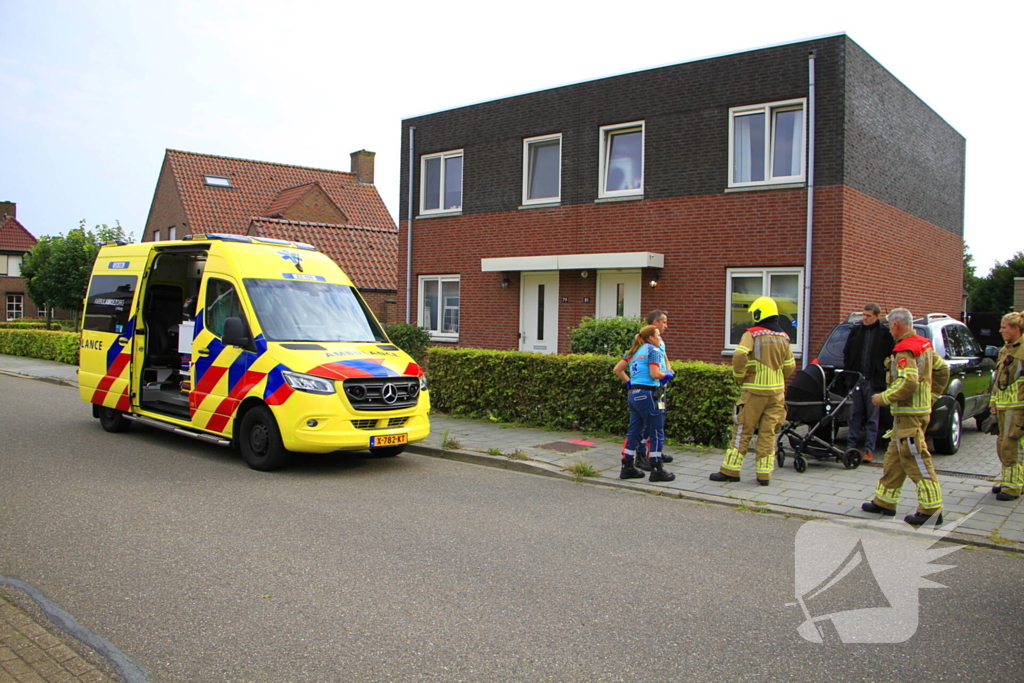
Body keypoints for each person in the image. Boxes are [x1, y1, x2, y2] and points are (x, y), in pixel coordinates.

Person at [861, 308, 950, 526]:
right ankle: (884, 502)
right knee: (894, 459)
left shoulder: (905, 350)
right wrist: (933, 396)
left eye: (890, 325)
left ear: (896, 325)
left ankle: (931, 509)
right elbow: (943, 370)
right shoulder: (924, 345)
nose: (889, 330)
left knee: (915, 459)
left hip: (908, 414)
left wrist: (882, 398)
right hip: (914, 413)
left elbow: (907, 383)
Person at [710, 296, 795, 486]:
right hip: (777, 393)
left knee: (742, 430)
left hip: (754, 390)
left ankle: (731, 471)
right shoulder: (785, 337)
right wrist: (778, 375)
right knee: (768, 432)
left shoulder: (753, 333)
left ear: (759, 313)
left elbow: (740, 354)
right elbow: (790, 365)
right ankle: (764, 475)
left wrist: (740, 374)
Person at [614, 310, 674, 470]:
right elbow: (655, 372)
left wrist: (630, 383)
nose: (666, 327)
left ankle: (628, 465)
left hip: (637, 392)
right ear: (653, 331)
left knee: (636, 429)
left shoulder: (635, 350)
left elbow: (617, 369)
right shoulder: (652, 349)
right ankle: (653, 464)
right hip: (650, 391)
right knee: (655, 429)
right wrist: (666, 375)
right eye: (664, 322)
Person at [842, 303, 894, 462]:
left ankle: (868, 449)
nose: (864, 318)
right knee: (854, 414)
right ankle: (851, 446)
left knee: (873, 416)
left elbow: (891, 355)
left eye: (868, 315)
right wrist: (849, 372)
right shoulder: (856, 331)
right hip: (856, 379)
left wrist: (882, 373)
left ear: (877, 316)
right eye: (863, 315)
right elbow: (847, 352)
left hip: (874, 381)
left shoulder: (885, 334)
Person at [989, 311, 1024, 501]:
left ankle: (1013, 488)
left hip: (1017, 408)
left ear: (1016, 329)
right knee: (1003, 445)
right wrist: (993, 402)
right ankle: (1010, 481)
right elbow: (998, 379)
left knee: (1011, 446)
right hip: (1003, 406)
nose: (1000, 331)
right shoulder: (1005, 349)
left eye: (1004, 327)